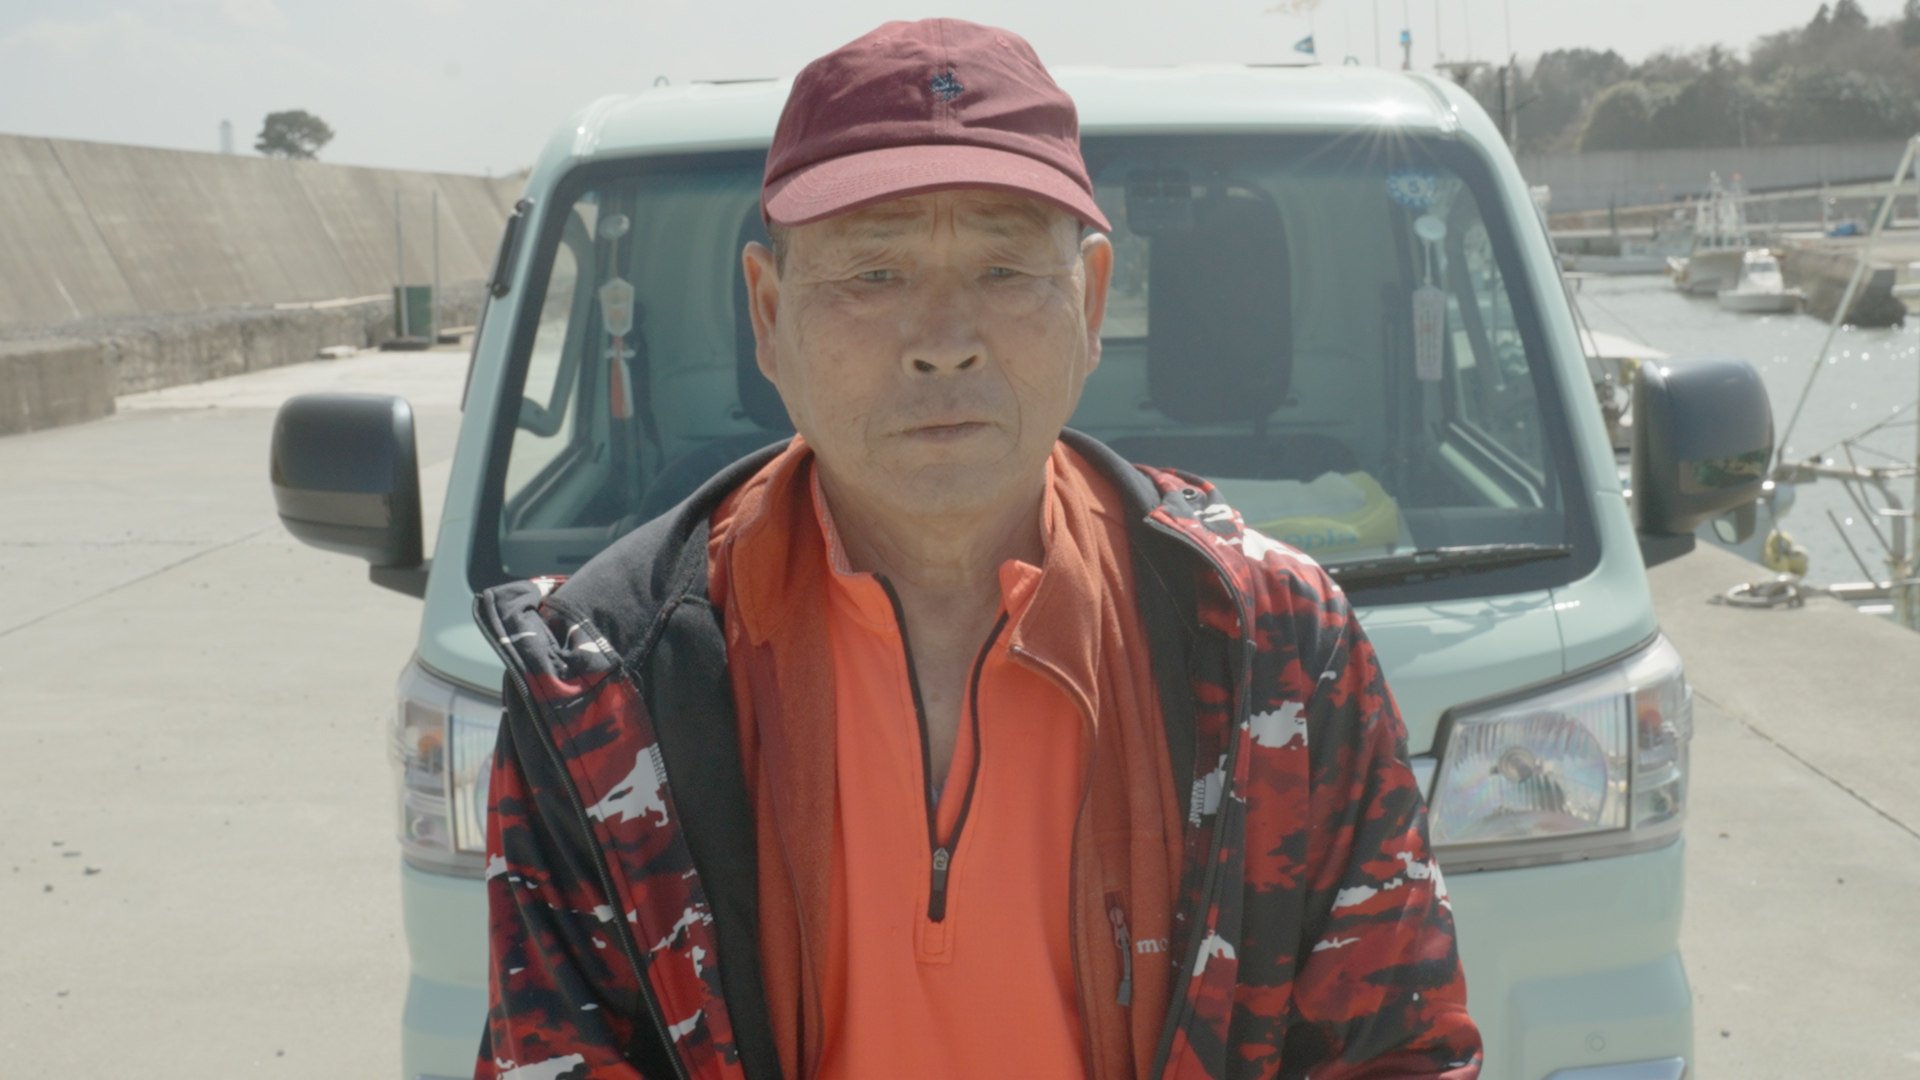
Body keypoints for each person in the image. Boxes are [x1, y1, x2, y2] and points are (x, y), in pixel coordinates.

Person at [474, 18, 1481, 1080]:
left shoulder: (1275, 645)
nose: (943, 336)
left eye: (1005, 269)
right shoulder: (599, 687)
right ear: (769, 315)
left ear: (1089, 303)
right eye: (873, 274)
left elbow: (1397, 1055)